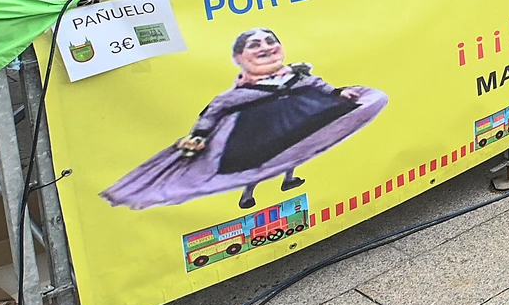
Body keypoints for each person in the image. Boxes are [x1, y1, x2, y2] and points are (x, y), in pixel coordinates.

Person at [101, 29, 387, 212]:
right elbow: (212, 112)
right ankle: (248, 194)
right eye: (254, 44)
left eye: (270, 41)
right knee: (256, 164)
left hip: (304, 117)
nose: (265, 47)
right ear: (239, 56)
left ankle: (289, 179)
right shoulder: (237, 94)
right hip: (257, 135)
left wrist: (338, 92)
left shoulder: (296, 75)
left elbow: (318, 85)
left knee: (299, 149)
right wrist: (199, 137)